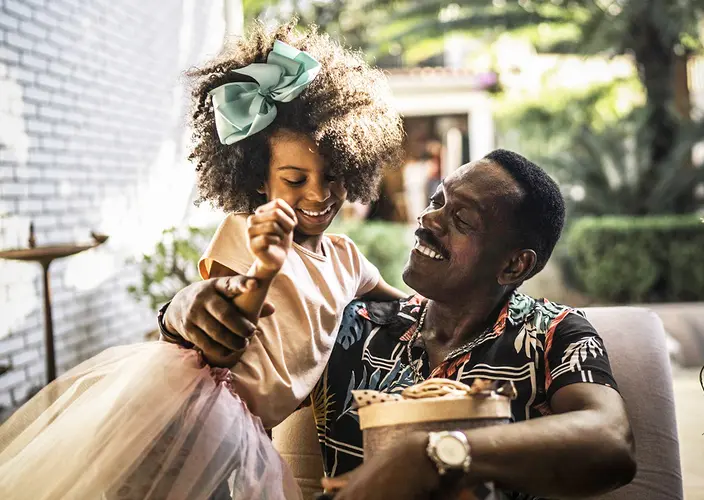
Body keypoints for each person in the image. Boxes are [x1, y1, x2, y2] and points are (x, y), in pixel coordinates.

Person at [0, 21, 404, 500]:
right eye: (295, 180)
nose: (319, 194)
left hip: (251, 427)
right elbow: (225, 342)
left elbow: (407, 304)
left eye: (335, 174)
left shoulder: (347, 258)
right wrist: (267, 268)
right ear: (258, 180)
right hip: (199, 406)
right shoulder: (246, 237)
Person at [168, 149, 637, 499]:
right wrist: (185, 309)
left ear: (514, 265)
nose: (428, 219)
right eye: (437, 200)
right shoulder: (353, 324)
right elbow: (230, 369)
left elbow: (611, 441)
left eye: (461, 218)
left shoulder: (554, 334)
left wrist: (433, 454)